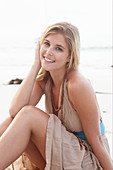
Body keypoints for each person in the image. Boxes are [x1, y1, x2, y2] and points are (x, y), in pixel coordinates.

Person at [0, 22, 112, 170]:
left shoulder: (77, 85)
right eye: (46, 44)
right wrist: (36, 65)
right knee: (12, 120)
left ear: (69, 56)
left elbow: (96, 139)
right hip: (60, 154)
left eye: (58, 48)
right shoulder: (45, 80)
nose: (49, 52)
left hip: (84, 160)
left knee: (28, 114)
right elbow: (15, 111)